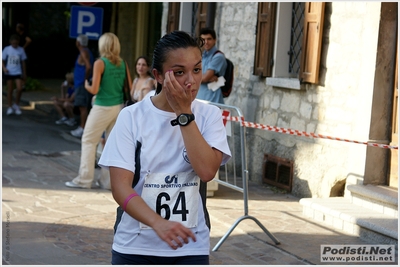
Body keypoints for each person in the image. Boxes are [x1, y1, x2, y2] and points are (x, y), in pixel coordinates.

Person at [98, 30, 231, 265]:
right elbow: (120, 187)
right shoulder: (131, 117)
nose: (191, 80)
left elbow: (207, 171)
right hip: (135, 246)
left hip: (190, 247)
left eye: (197, 70)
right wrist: (157, 222)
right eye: (179, 72)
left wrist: (184, 114)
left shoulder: (210, 115)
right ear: (158, 75)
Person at [65, 32, 132, 190]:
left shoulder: (100, 63)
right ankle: (107, 182)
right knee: (111, 145)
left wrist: (87, 86)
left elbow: (94, 89)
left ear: (103, 45)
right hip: (119, 107)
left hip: (103, 106)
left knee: (88, 140)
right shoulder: (122, 63)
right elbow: (130, 86)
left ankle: (84, 179)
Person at [70, 34, 94, 138]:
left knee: (82, 107)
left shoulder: (83, 52)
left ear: (78, 43)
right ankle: (83, 127)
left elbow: (88, 66)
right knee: (83, 106)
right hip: (80, 83)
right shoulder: (87, 51)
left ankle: (82, 128)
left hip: (81, 84)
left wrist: (85, 79)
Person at [196, 27, 227, 104]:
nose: (206, 42)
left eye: (209, 39)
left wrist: (195, 78)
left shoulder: (218, 56)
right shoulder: (201, 55)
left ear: (215, 40)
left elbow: (206, 77)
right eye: (203, 39)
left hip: (211, 97)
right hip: (200, 96)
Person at [2, 34, 27, 116]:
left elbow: (23, 62)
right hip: (9, 72)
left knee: (19, 88)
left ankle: (16, 104)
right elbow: (2, 60)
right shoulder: (7, 49)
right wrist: (4, 68)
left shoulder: (21, 50)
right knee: (10, 89)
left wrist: (24, 73)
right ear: (10, 42)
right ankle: (9, 106)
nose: (14, 45)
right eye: (13, 44)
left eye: (16, 44)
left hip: (18, 71)